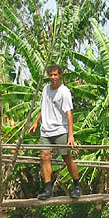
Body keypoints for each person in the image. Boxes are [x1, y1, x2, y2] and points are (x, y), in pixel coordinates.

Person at [28, 64, 82, 200]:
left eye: (55, 75)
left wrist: (70, 134)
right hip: (46, 130)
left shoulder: (64, 92)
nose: (53, 77)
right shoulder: (46, 89)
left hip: (60, 130)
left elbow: (69, 114)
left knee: (66, 158)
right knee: (44, 156)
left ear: (60, 76)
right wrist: (36, 122)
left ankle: (77, 186)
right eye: (51, 75)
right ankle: (48, 189)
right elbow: (43, 107)